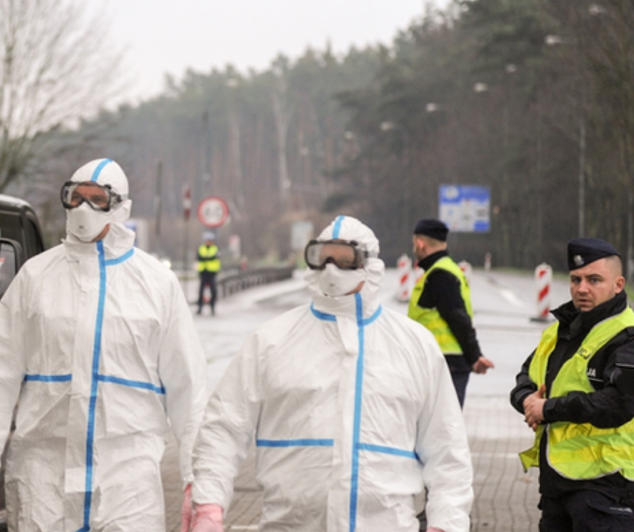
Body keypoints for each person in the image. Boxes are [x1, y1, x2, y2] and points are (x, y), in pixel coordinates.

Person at [0, 158, 207, 532]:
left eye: (97, 199)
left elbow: (188, 390)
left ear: (121, 207)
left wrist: (198, 483)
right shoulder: (36, 277)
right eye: (76, 198)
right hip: (43, 480)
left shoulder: (157, 284)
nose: (84, 209)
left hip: (127, 484)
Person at [189, 216, 472, 532]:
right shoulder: (271, 340)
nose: (332, 271)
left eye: (345, 261)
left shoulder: (415, 345)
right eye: (323, 259)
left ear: (370, 264)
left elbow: (447, 450)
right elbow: (224, 427)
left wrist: (447, 523)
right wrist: (209, 505)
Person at [511, 238, 634, 532]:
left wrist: (548, 409)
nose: (582, 288)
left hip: (607, 488)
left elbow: (619, 403)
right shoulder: (559, 331)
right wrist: (528, 402)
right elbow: (525, 379)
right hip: (556, 488)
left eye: (594, 280)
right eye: (576, 279)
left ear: (618, 284)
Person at [409, 218, 494, 407]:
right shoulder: (442, 271)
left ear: (420, 244)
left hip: (445, 364)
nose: (414, 249)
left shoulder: (439, 275)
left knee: (442, 432)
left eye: (414, 244)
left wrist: (474, 356)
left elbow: (457, 317)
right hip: (445, 363)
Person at [197, 231, 221, 315]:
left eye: (210, 240)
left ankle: (212, 307)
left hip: (212, 273)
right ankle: (199, 308)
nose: (208, 242)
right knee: (201, 291)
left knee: (213, 291)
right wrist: (209, 258)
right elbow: (199, 258)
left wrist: (206, 258)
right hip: (203, 272)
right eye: (207, 240)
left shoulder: (215, 248)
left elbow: (215, 257)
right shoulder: (201, 248)